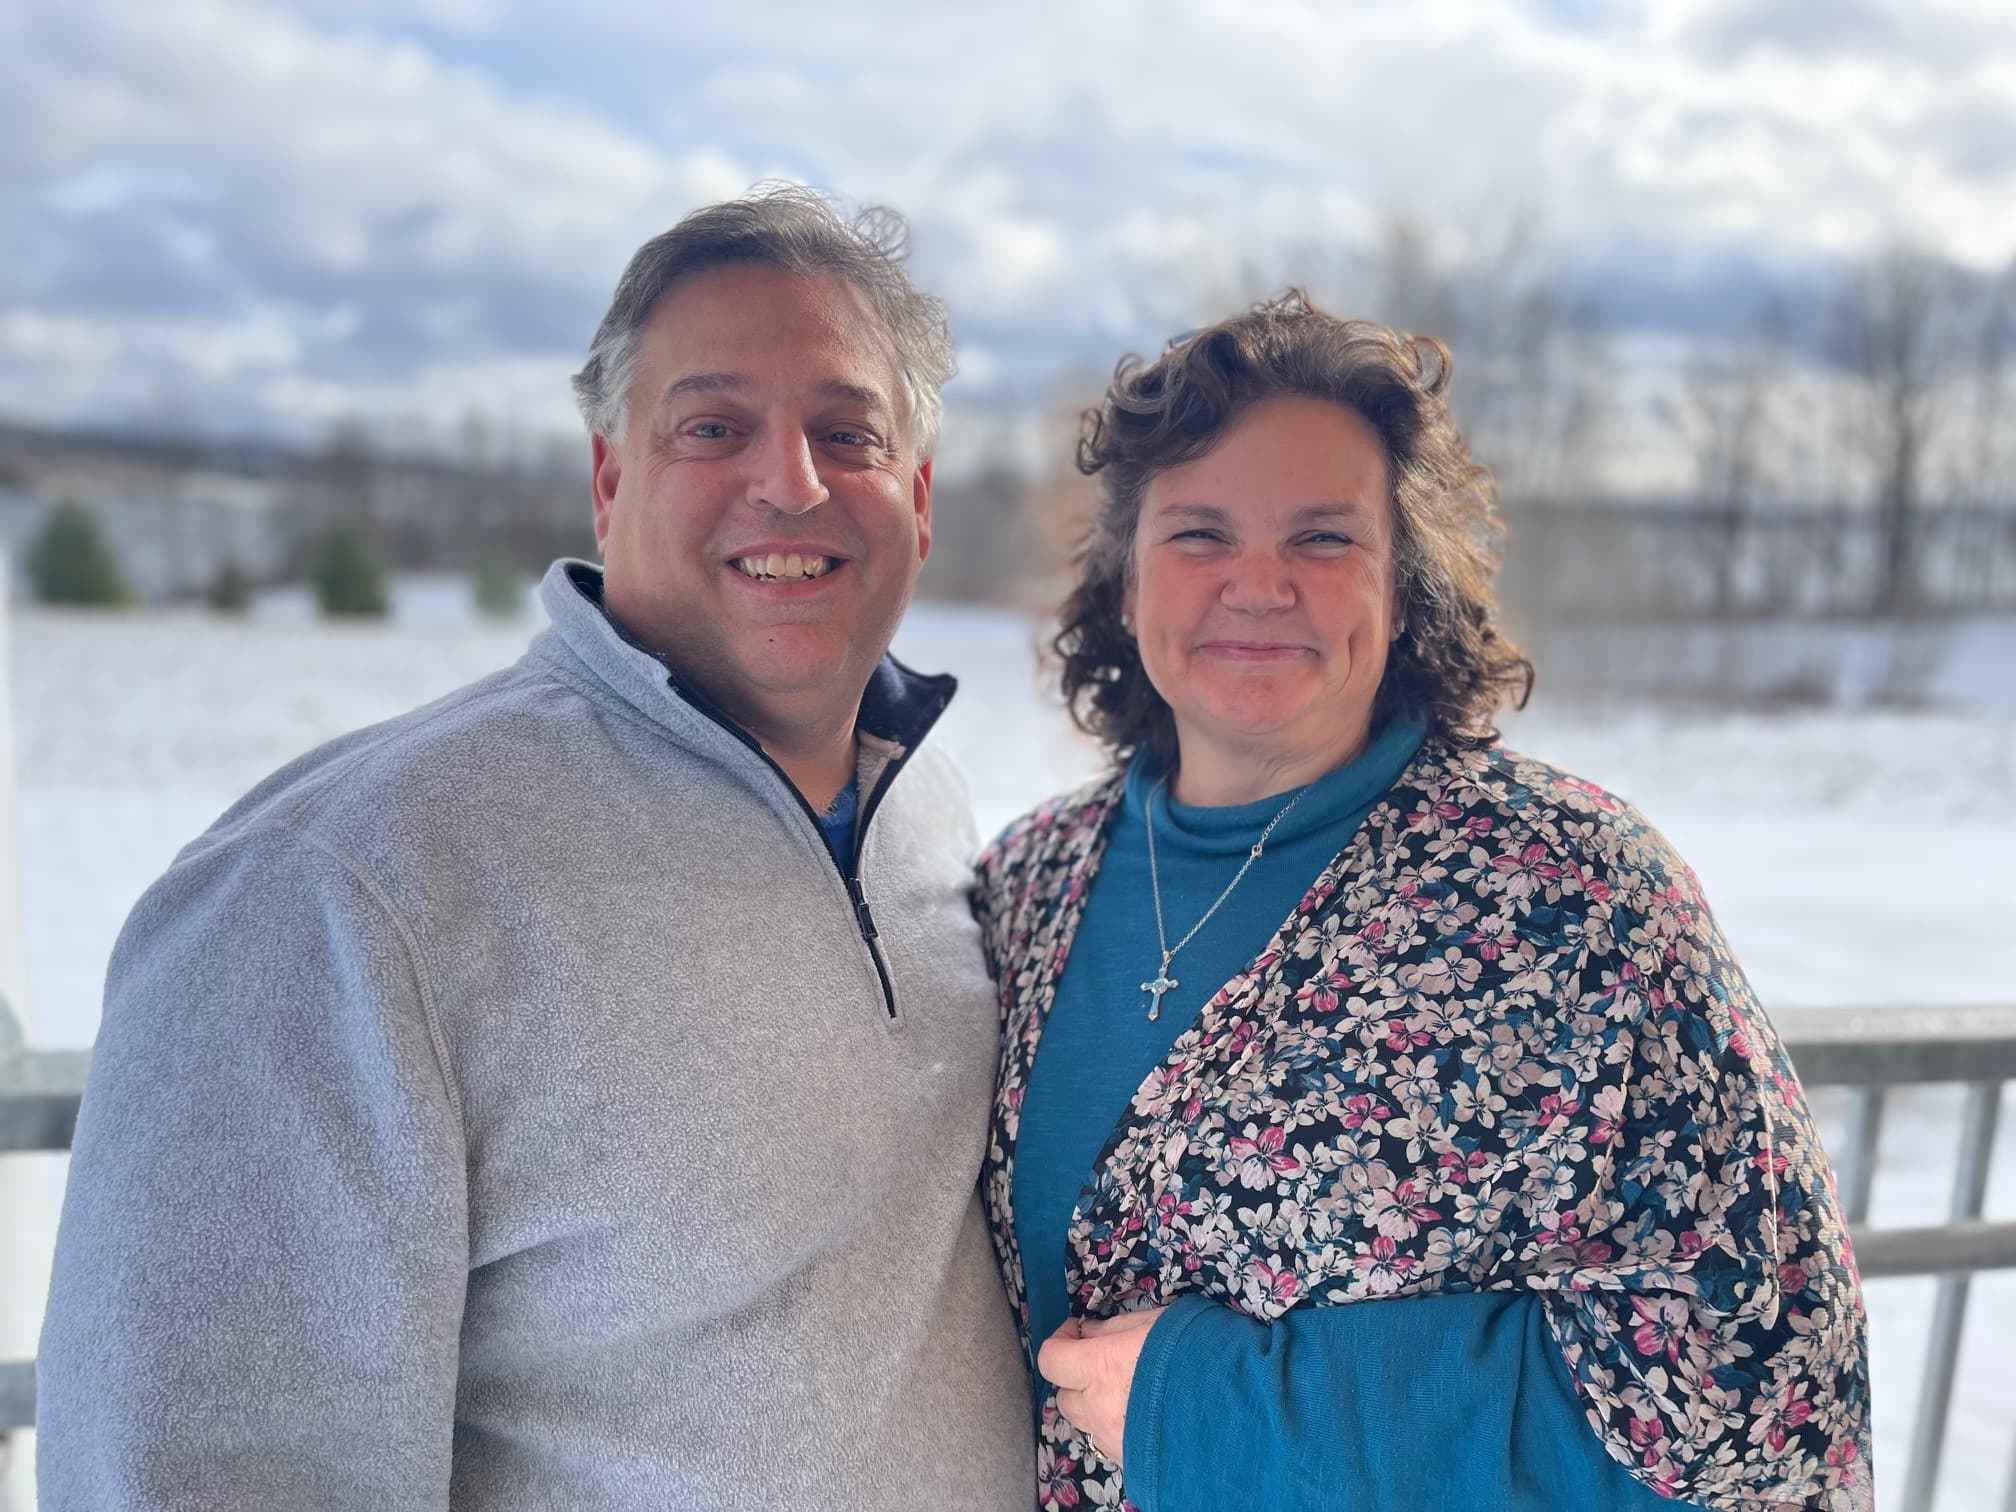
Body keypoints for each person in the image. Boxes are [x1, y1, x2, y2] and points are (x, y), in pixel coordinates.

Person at [38, 187, 1032, 1509]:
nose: (789, 482)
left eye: (845, 432)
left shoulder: (932, 816)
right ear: (611, 478)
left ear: (911, 493)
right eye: (715, 426)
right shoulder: (333, 892)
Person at [971, 293, 1870, 1511]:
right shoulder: (1027, 885)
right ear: (1125, 586)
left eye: (1325, 540)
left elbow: (1767, 1386)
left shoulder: (1576, 894)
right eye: (1198, 536)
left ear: (1402, 596)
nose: (1259, 584)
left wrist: (1232, 1415)